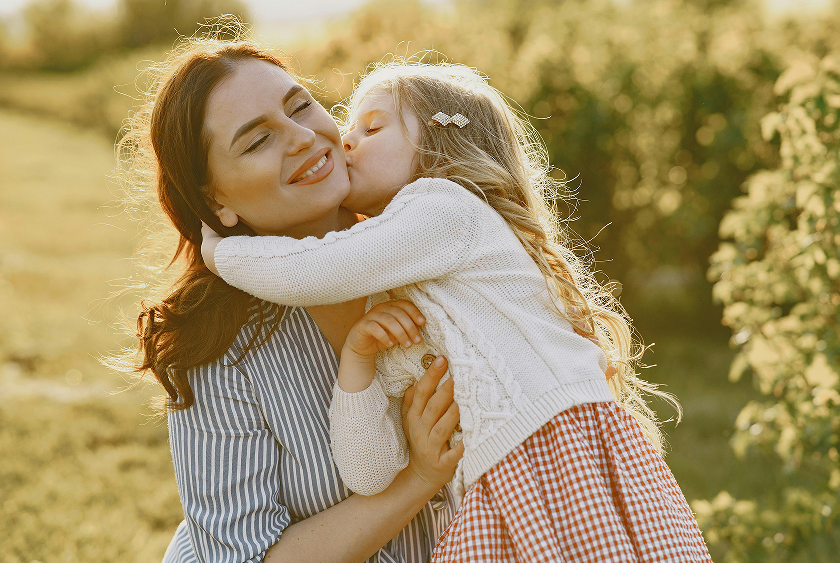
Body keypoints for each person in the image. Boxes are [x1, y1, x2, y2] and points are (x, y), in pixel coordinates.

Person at [201, 62, 713, 562]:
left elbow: (313, 271)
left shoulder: (445, 207)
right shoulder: (394, 299)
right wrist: (358, 362)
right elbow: (369, 472)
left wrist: (222, 253)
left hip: (558, 459)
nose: (346, 140)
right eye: (352, 124)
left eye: (372, 127)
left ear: (437, 147)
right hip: (501, 498)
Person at [119, 38, 464, 563]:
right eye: (257, 141)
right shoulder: (215, 345)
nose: (305, 138)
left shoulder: (436, 244)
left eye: (300, 106)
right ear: (217, 201)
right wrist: (416, 480)